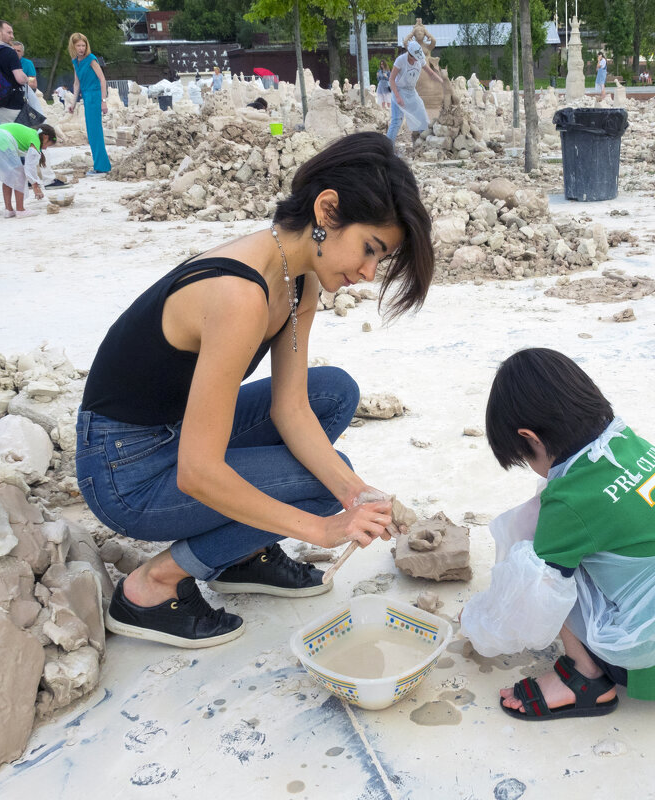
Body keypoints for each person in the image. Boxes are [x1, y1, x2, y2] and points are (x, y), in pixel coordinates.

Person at [75, 132, 435, 649]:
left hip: (173, 430)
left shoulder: (298, 277)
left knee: (331, 393)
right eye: (369, 250)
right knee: (317, 485)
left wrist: (361, 497)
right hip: (123, 471)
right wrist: (326, 529)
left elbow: (290, 408)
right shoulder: (239, 294)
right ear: (327, 210)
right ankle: (152, 585)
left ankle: (240, 553)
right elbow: (198, 473)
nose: (367, 273)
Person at [460, 348, 655, 720]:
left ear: (531, 437)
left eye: (526, 458)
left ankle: (586, 678)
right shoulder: (627, 442)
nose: (534, 469)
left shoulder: (571, 501)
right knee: (558, 538)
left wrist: (481, 621)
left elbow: (534, 602)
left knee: (537, 564)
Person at [0, 121, 56, 217]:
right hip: (0, 140)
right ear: (45, 137)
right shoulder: (35, 139)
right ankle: (20, 210)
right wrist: (35, 186)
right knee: (20, 175)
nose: (46, 148)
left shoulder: (30, 133)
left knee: (8, 176)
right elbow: (30, 166)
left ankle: (8, 210)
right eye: (48, 144)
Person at [68, 32, 110, 175]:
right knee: (91, 132)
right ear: (73, 46)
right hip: (86, 96)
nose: (81, 48)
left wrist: (103, 101)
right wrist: (73, 103)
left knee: (95, 131)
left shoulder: (91, 59)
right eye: (78, 45)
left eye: (83, 45)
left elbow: (102, 80)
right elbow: (76, 83)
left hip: (94, 95)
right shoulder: (75, 62)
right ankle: (100, 165)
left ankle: (102, 166)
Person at [387, 41, 443, 143]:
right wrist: (398, 97)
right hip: (399, 91)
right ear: (410, 55)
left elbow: (430, 73)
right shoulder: (401, 60)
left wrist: (442, 82)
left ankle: (424, 142)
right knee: (397, 120)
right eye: (415, 58)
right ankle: (387, 147)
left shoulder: (420, 59)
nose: (418, 60)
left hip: (411, 92)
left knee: (422, 115)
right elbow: (391, 79)